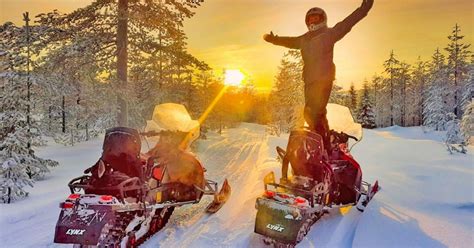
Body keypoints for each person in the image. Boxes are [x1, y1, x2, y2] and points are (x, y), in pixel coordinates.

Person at [263, 0, 374, 147]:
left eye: (316, 18)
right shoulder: (304, 39)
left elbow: (348, 23)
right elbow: (289, 41)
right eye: (310, 19)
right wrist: (274, 39)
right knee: (315, 114)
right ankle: (323, 142)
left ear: (323, 19)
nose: (313, 21)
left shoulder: (329, 34)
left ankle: (322, 144)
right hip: (309, 81)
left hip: (323, 80)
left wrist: (364, 8)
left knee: (313, 113)